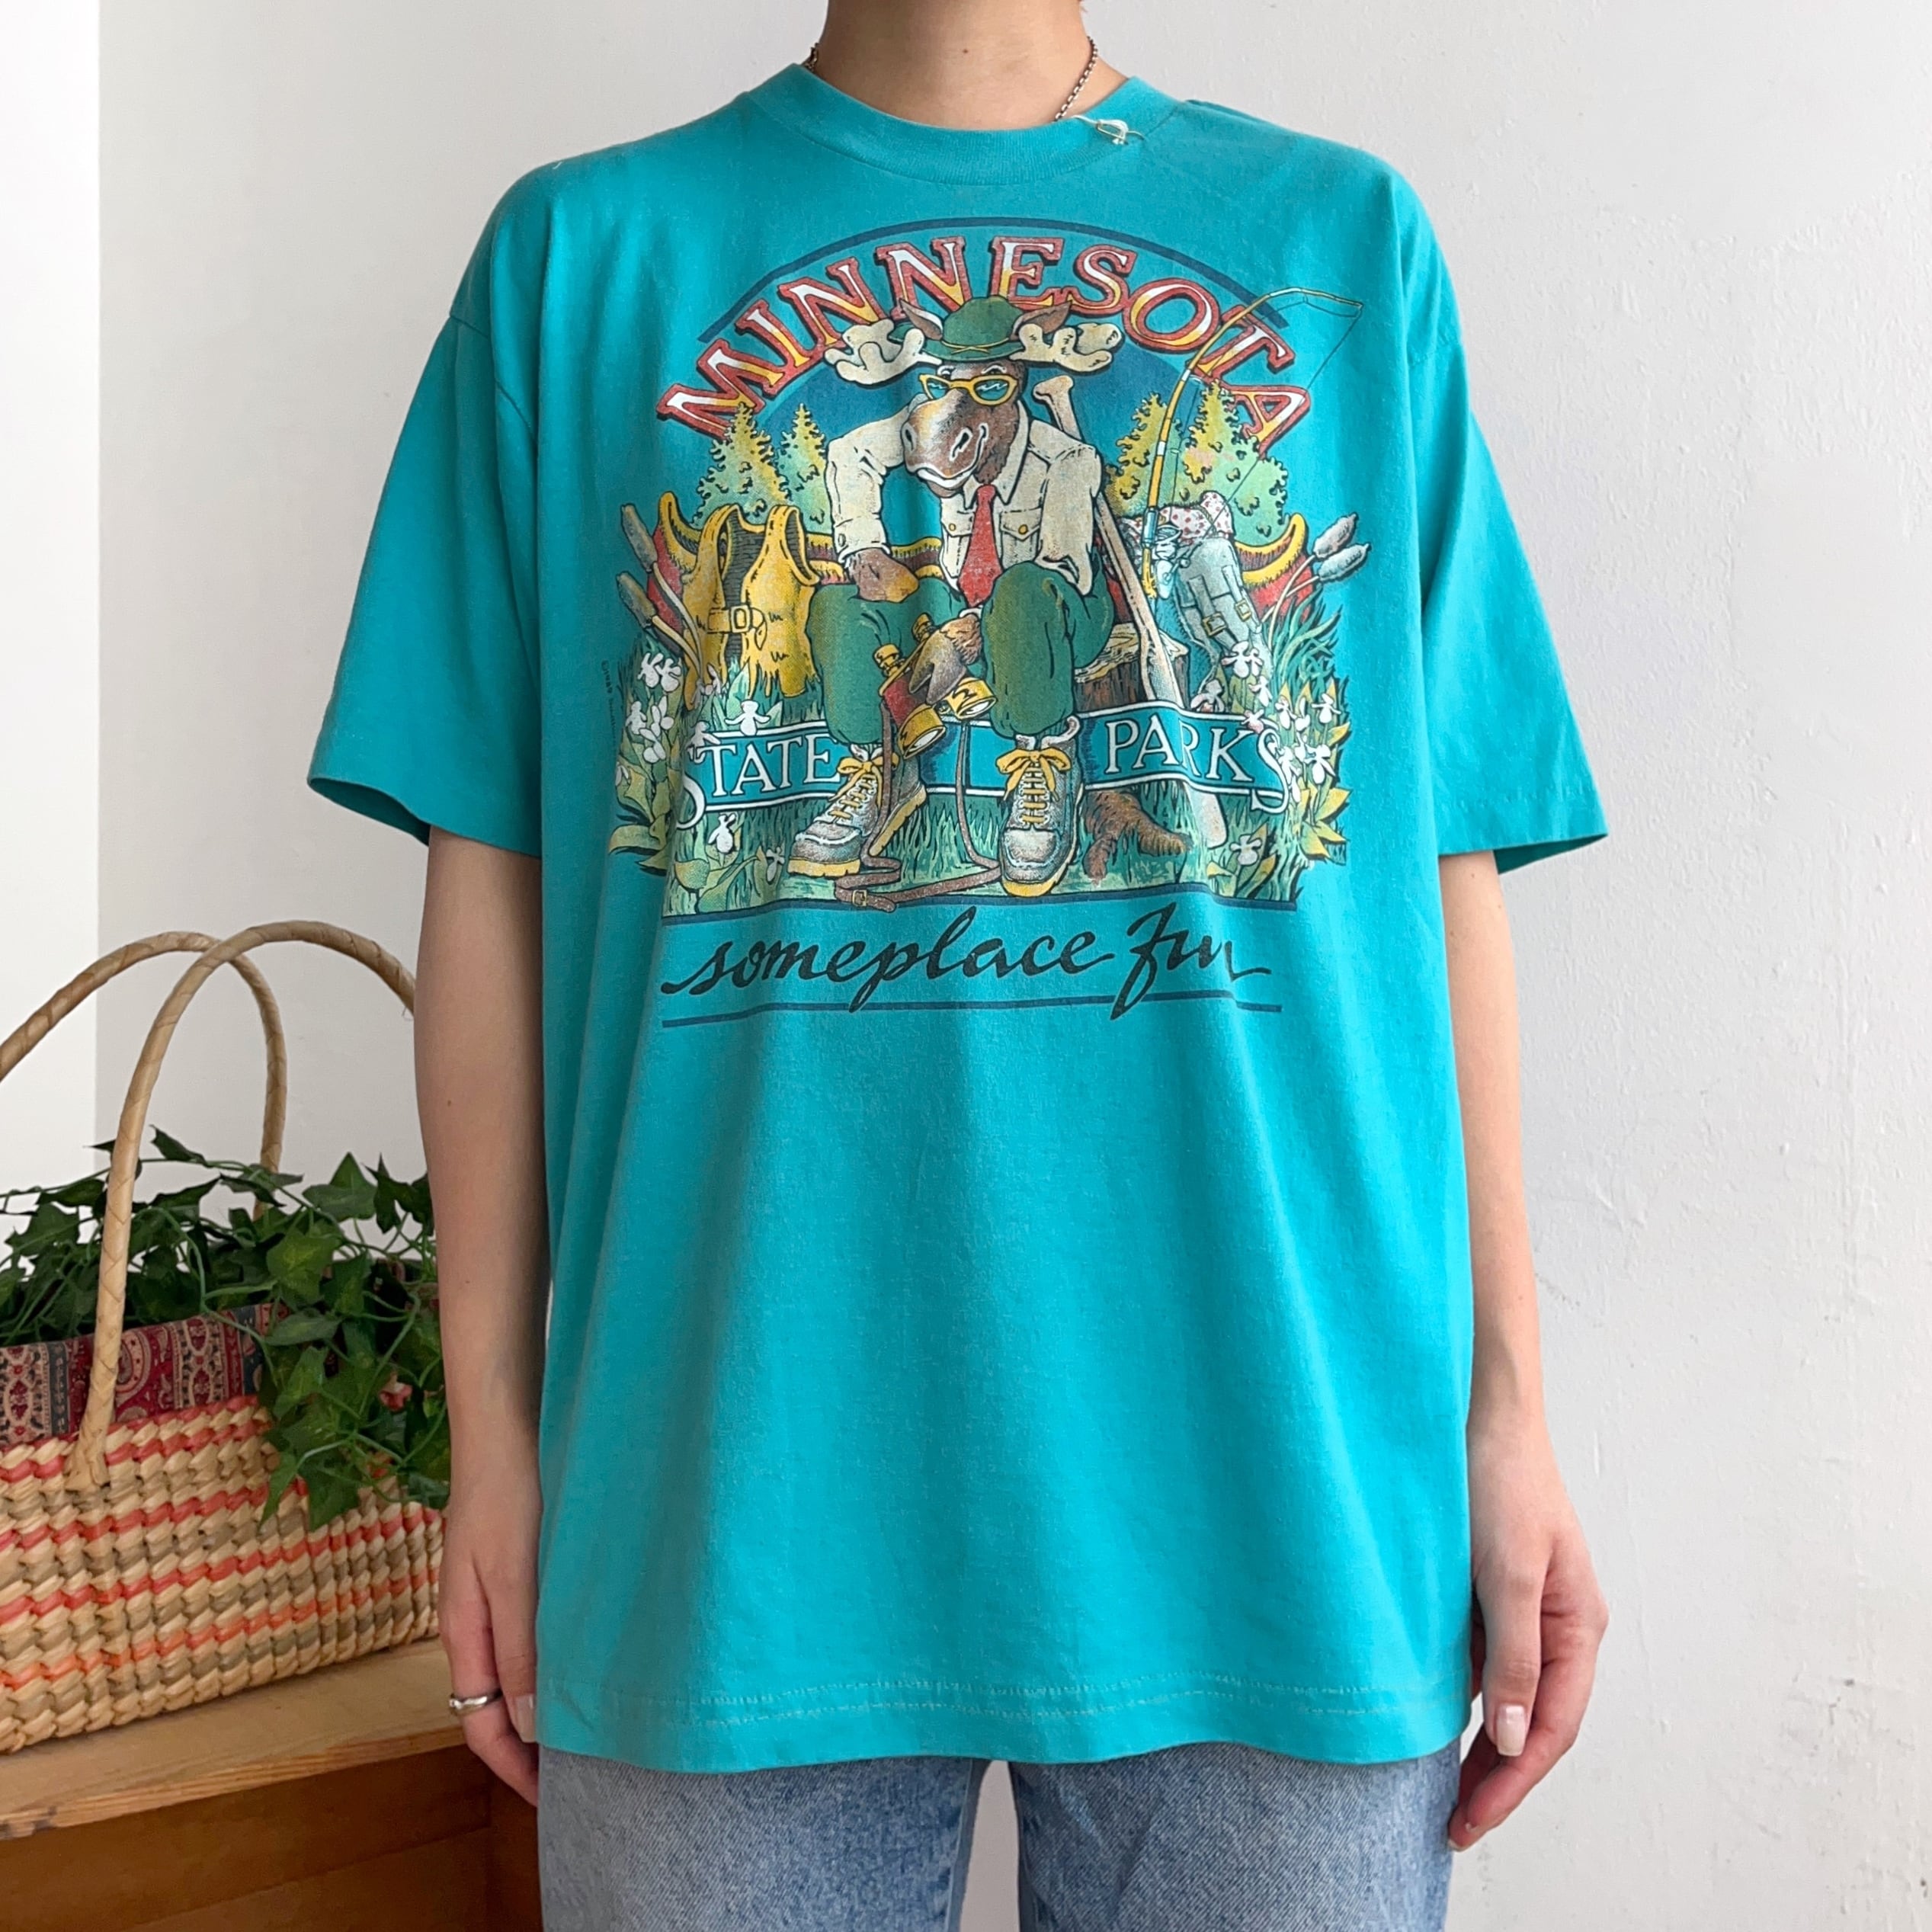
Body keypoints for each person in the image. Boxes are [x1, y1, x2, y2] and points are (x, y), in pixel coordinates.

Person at [309, 1, 1611, 1924]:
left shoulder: (1339, 238)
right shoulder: (580, 260)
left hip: (1283, 1473)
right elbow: (488, 872)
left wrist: (1507, 1412)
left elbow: (1438, 863)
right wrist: (491, 1437)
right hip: (722, 1498)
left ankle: (1027, 797)